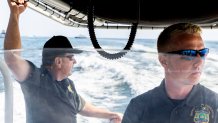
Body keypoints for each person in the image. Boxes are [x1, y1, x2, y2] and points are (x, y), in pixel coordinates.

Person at [4, 0, 122, 123]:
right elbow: (12, 59)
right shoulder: (36, 79)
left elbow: (83, 106)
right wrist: (14, 14)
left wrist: (112, 115)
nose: (75, 61)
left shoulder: (68, 85)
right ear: (58, 62)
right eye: (71, 57)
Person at [122, 23, 218, 123]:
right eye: (189, 54)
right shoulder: (138, 106)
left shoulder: (215, 104)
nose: (199, 62)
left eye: (203, 53)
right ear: (164, 61)